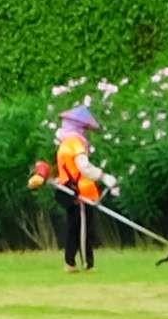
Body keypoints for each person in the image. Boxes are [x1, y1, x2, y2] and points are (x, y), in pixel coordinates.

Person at [30, 112, 111, 270]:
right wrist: (103, 176)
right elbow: (84, 167)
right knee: (82, 229)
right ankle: (85, 264)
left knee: (74, 227)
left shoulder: (66, 143)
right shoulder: (75, 143)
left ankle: (71, 262)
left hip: (73, 189)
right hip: (78, 191)